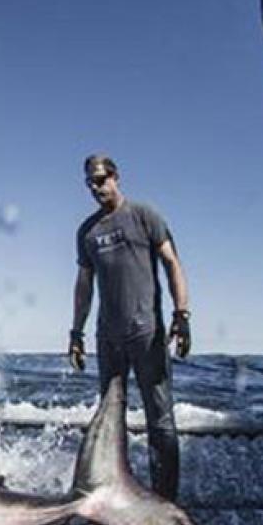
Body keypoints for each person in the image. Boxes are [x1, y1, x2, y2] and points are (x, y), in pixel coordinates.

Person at [68, 154, 191, 501]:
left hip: (146, 333)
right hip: (108, 338)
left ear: (116, 176)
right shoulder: (87, 232)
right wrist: (75, 333)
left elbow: (172, 263)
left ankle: (165, 500)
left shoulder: (143, 215)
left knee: (161, 421)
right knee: (110, 421)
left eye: (102, 179)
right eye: (90, 182)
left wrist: (182, 315)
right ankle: (116, 493)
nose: (96, 187)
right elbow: (83, 286)